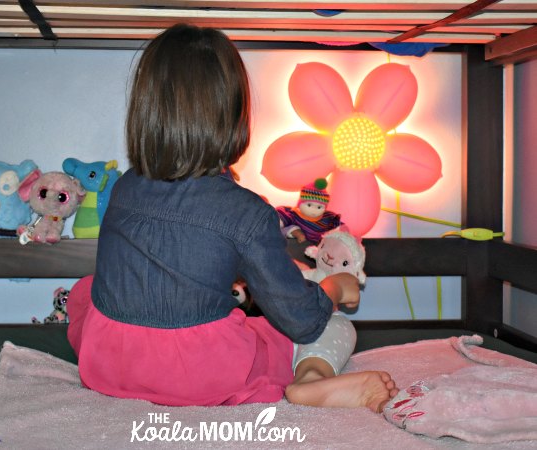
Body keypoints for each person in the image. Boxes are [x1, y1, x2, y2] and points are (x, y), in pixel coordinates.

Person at [67, 23, 398, 412]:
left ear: (146, 110)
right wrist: (336, 288)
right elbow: (300, 317)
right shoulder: (247, 213)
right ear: (234, 113)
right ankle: (314, 378)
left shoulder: (125, 187)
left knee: (86, 293)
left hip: (111, 364)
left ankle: (305, 378)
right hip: (199, 372)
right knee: (330, 324)